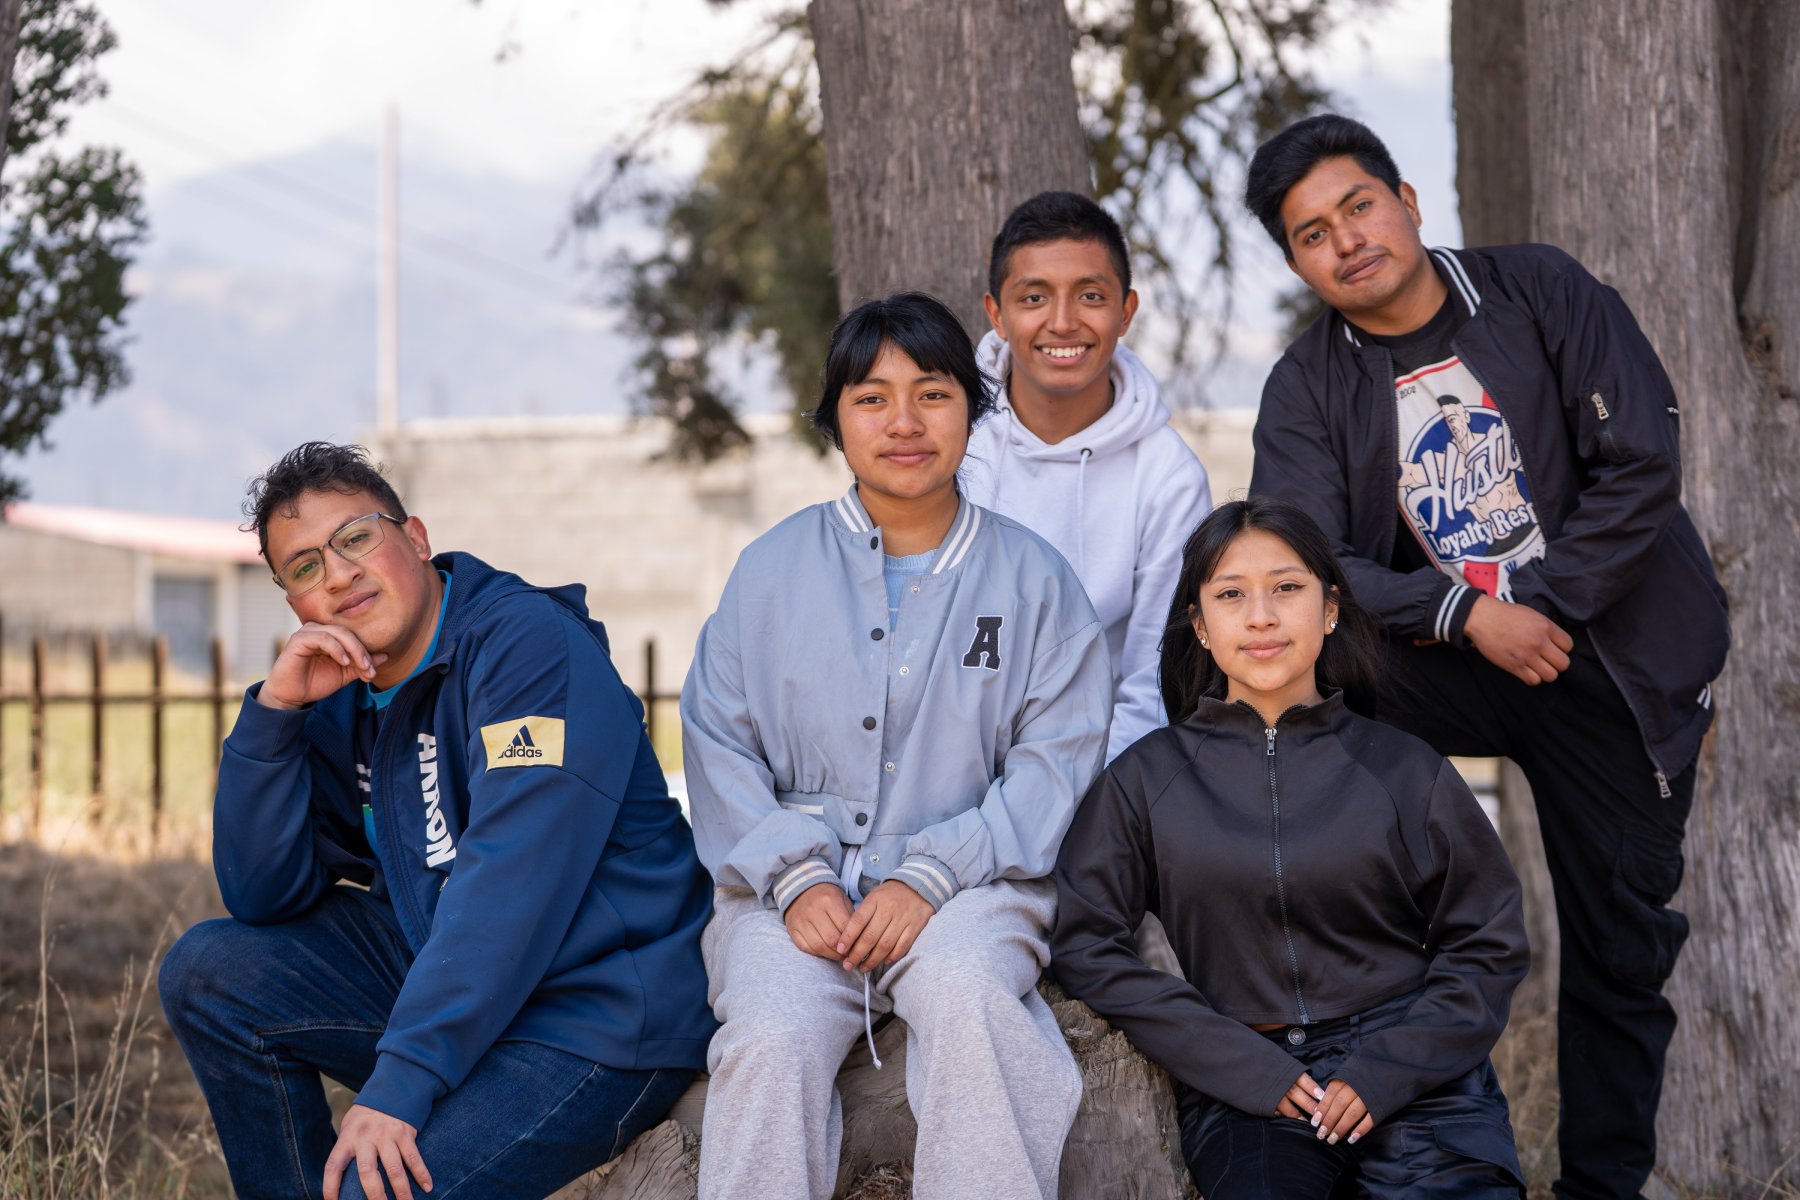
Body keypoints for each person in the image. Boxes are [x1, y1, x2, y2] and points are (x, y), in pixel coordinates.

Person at [1242, 113, 1730, 1200]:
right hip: (1447, 660)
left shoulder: (1539, 292)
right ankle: (1415, 1142)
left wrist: (1533, 607)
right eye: (1313, 233)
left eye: (1358, 207)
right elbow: (1297, 556)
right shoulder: (1308, 384)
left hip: (1609, 661)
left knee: (1618, 949)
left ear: (1407, 201)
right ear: (1298, 263)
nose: (1347, 240)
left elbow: (1641, 466)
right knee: (1296, 669)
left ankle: (1600, 1188)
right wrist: (1469, 618)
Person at [158, 443, 715, 1200]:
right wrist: (274, 717)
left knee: (374, 1191)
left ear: (415, 538)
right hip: (452, 977)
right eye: (305, 567)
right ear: (294, 601)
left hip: (596, 1016)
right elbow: (263, 896)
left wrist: (402, 1082)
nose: (340, 574)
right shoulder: (341, 689)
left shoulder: (526, 646)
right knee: (209, 969)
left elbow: (511, 884)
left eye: (355, 537)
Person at [682, 291, 1112, 1200]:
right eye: (872, 397)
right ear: (836, 418)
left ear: (973, 408)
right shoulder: (770, 569)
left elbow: (1056, 762)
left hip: (973, 887)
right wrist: (794, 879)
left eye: (933, 392)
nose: (904, 422)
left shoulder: (1035, 581)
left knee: (971, 1002)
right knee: (767, 1038)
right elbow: (719, 740)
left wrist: (932, 874)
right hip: (790, 898)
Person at [1052, 497, 1530, 1199]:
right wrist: (1236, 1061)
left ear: (1329, 609)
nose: (1261, 616)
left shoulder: (1404, 767)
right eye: (1231, 595)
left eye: (1287, 588)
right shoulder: (1146, 779)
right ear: (1201, 626)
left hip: (1415, 1077)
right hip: (1251, 1085)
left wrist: (1387, 1069)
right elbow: (1084, 941)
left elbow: (1488, 942)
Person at [962, 189, 1212, 759]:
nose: (1063, 322)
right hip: (946, 760)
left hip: (1092, 769)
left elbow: (1153, 683)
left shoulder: (1166, 475)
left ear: (1126, 311)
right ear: (996, 314)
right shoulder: (954, 438)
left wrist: (1084, 803)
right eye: (1034, 297)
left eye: (1090, 295)